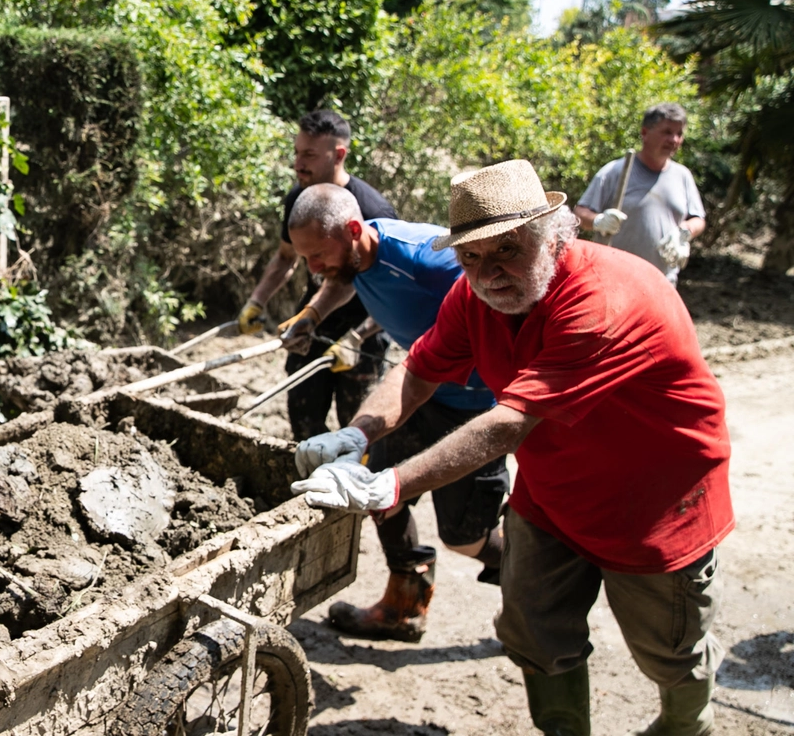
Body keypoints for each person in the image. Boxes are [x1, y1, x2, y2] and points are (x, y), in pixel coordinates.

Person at [292, 160, 733, 736]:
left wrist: (392, 484)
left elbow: (507, 424)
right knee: (533, 634)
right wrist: (358, 433)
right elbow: (420, 370)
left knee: (672, 656)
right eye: (471, 257)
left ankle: (685, 728)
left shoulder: (600, 301)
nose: (488, 272)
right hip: (553, 493)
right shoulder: (476, 295)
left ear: (554, 234)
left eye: (506, 249)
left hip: (656, 505)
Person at [284, 184, 504, 643]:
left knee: (466, 538)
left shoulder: (429, 261)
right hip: (419, 395)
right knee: (380, 496)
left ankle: (539, 581)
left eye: (317, 254)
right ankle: (403, 608)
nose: (313, 267)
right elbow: (340, 281)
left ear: (352, 229)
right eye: (305, 258)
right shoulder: (352, 255)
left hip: (474, 407)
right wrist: (312, 314)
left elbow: (497, 310)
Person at [238, 110, 397, 440]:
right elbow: (285, 259)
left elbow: (395, 296)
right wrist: (257, 301)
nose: (298, 163)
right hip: (313, 323)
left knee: (358, 430)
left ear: (338, 154)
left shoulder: (373, 212)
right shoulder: (299, 199)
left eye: (309, 154)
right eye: (296, 152)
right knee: (303, 420)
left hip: (361, 332)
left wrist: (358, 337)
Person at [575, 102, 705, 284]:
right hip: (615, 280)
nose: (674, 140)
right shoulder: (616, 171)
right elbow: (580, 214)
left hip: (663, 281)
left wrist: (685, 231)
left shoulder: (682, 176)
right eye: (667, 132)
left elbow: (698, 219)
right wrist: (598, 221)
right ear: (645, 133)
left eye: (679, 134)